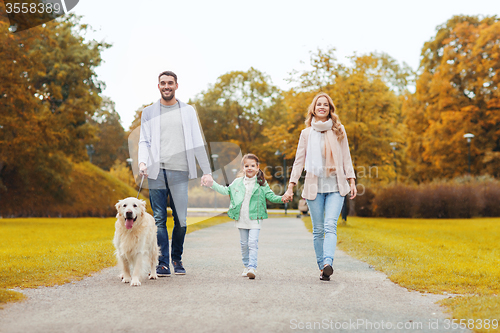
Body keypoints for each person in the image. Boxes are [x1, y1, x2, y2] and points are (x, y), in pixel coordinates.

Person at [138, 71, 213, 277]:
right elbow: (144, 140)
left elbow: (198, 141)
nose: (166, 86)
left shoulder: (187, 111)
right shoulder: (149, 112)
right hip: (156, 171)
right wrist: (142, 162)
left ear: (176, 86)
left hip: (180, 170)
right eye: (163, 83)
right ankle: (162, 263)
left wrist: (206, 171)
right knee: (160, 219)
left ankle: (176, 258)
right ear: (158, 86)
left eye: (170, 83)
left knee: (181, 220)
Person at [283, 92, 357, 281]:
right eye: (319, 104)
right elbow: (299, 161)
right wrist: (291, 185)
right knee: (318, 229)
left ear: (330, 109)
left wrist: (352, 180)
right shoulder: (306, 133)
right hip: (314, 188)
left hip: (335, 186)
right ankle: (322, 267)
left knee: (330, 225)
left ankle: (327, 263)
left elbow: (346, 157)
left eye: (325, 104)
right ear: (314, 109)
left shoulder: (339, 130)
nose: (322, 107)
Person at [202, 154, 287, 279]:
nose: (250, 168)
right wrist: (212, 183)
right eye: (247, 166)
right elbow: (225, 190)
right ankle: (246, 266)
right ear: (243, 168)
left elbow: (271, 196)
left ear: (258, 167)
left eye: (253, 165)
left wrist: (283, 199)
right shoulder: (237, 183)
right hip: (241, 218)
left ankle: (252, 267)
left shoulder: (262, 184)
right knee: (243, 244)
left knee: (252, 242)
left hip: (255, 218)